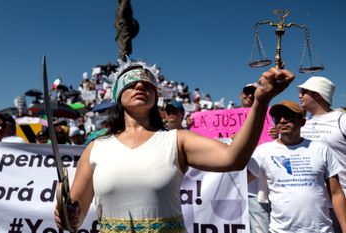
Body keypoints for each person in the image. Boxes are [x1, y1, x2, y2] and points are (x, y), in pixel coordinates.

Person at [54, 61, 294, 232]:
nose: (140, 86)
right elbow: (74, 217)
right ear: (117, 95)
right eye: (131, 83)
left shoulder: (177, 140)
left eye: (147, 84)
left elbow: (234, 158)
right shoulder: (95, 148)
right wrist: (67, 216)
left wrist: (261, 102)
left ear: (156, 96)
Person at [248, 100, 346, 232]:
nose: (282, 120)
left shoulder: (321, 149)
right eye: (277, 118)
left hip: (322, 229)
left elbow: (336, 192)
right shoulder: (263, 151)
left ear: (302, 122)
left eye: (288, 116)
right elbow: (241, 181)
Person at [298, 76, 346, 232]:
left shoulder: (342, 119)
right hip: (315, 205)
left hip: (342, 200)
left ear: (317, 94)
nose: (299, 95)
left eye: (303, 92)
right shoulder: (303, 124)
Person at [239, 82, 271, 233]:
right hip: (229, 190)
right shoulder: (223, 119)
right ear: (241, 95)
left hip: (255, 190)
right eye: (247, 92)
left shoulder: (270, 118)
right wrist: (192, 123)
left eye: (253, 92)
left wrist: (278, 136)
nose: (249, 95)